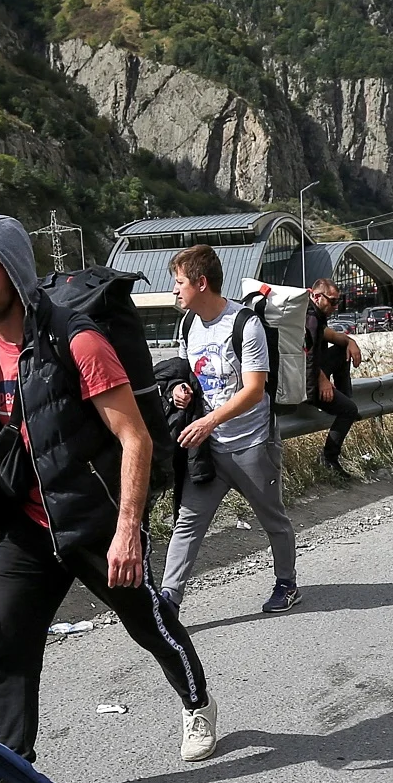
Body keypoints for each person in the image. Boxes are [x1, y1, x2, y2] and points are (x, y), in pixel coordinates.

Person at [0, 214, 214, 763]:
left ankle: (196, 700)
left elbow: (135, 438)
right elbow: (7, 432)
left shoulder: (77, 340)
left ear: (13, 270)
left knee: (147, 624)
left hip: (93, 521)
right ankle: (17, 769)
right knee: (4, 648)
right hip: (26, 526)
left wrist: (127, 530)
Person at [158, 244, 301, 615]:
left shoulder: (245, 325)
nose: (174, 290)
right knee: (188, 521)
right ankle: (169, 599)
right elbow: (192, 371)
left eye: (179, 282)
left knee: (272, 518)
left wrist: (209, 420)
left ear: (201, 283)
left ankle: (286, 583)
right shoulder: (189, 324)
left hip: (251, 444)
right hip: (208, 449)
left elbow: (254, 389)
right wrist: (180, 390)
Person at [305, 277, 363, 482]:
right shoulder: (310, 319)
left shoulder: (315, 315)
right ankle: (329, 459)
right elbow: (303, 355)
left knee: (341, 350)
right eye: (332, 301)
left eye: (338, 302)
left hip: (313, 372)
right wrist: (322, 380)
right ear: (316, 296)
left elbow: (333, 337)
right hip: (307, 381)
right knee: (349, 410)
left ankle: (345, 397)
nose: (335, 307)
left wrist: (350, 341)